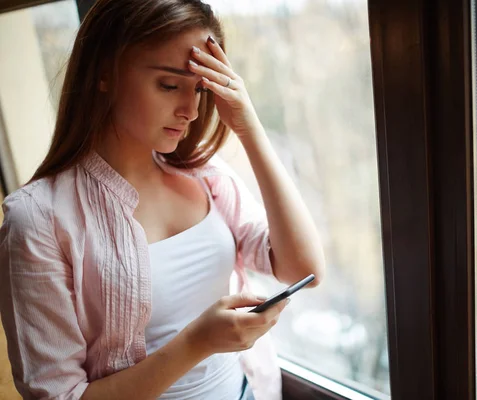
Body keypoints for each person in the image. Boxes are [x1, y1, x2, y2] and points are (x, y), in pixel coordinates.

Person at [0, 0, 325, 399]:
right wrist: (196, 344)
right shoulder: (38, 219)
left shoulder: (206, 176)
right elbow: (59, 395)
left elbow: (303, 269)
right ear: (104, 73)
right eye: (169, 85)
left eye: (200, 89)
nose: (189, 110)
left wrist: (248, 125)